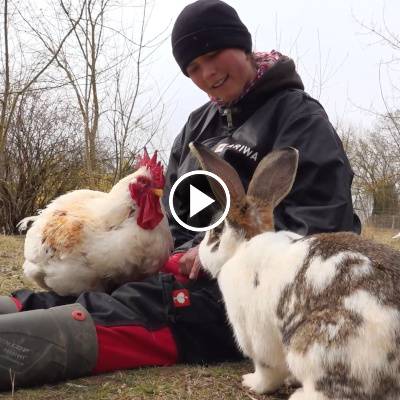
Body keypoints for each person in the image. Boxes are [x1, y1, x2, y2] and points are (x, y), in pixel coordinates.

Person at [0, 0, 360, 391]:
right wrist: (173, 251)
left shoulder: (298, 119)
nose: (207, 74)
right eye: (192, 68)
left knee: (132, 309)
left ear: (241, 45)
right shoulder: (197, 127)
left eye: (212, 55)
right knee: (91, 294)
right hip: (185, 274)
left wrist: (223, 256)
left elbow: (321, 225)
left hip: (250, 296)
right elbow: (179, 212)